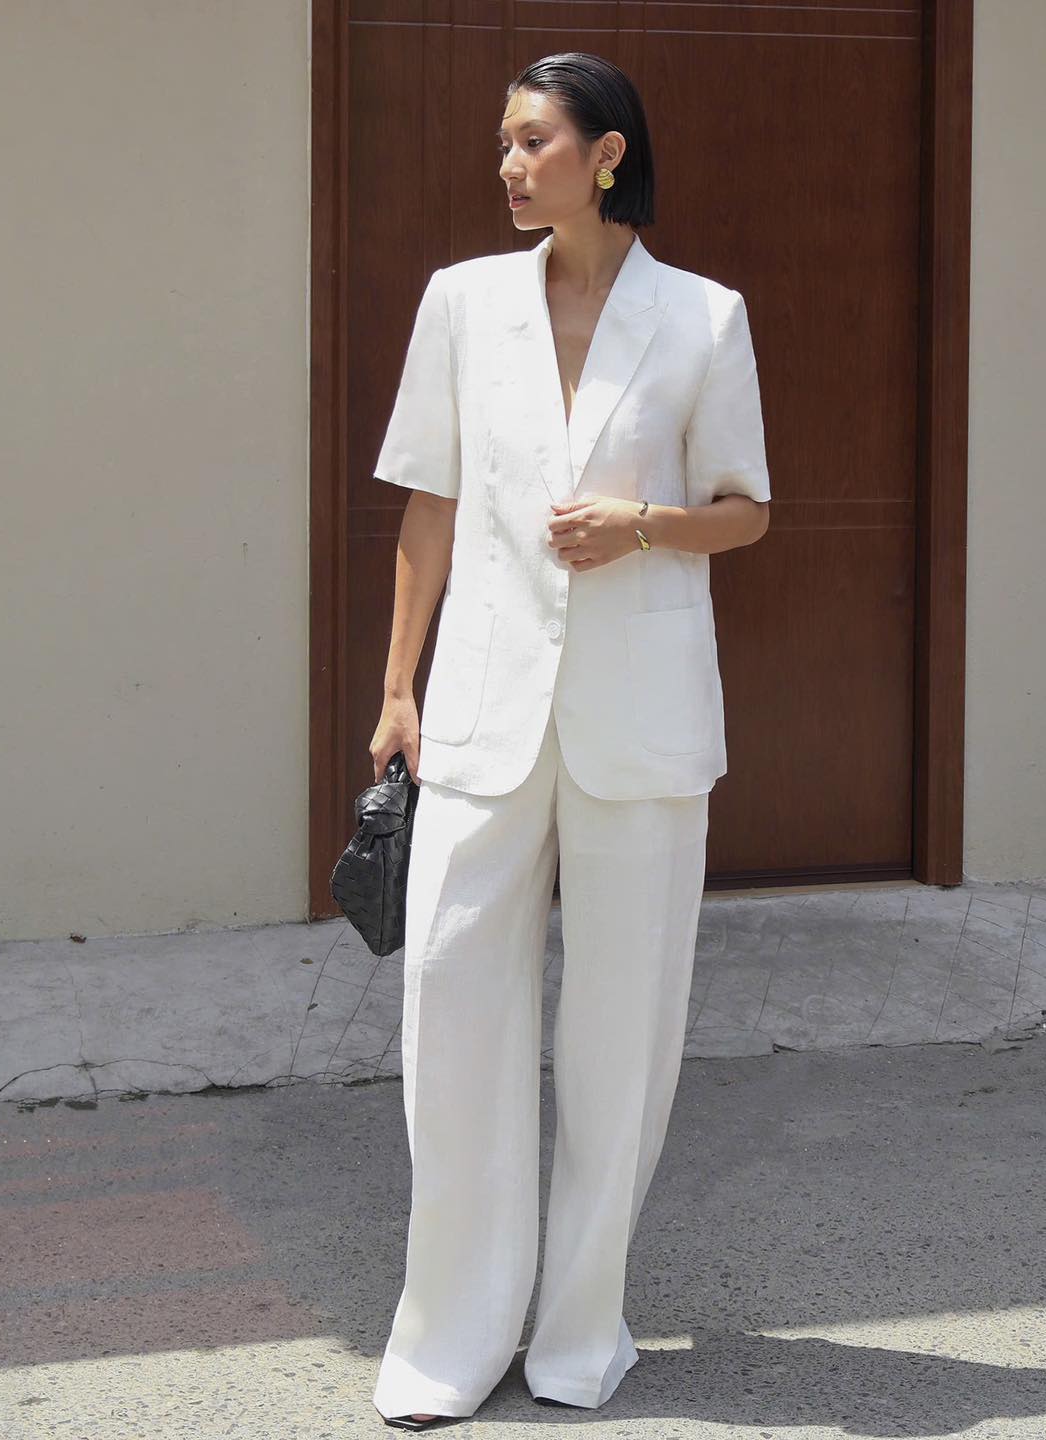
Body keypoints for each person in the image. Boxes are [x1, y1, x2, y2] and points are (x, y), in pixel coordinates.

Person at [366, 51, 771, 1431]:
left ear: (606, 155)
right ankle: (450, 1337)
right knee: (452, 1008)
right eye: (504, 141)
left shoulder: (704, 317)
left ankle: (581, 1330)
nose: (509, 163)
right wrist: (399, 688)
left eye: (533, 140)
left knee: (623, 1031)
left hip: (641, 713)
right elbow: (428, 501)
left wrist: (640, 526)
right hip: (482, 704)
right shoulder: (461, 303)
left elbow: (747, 509)